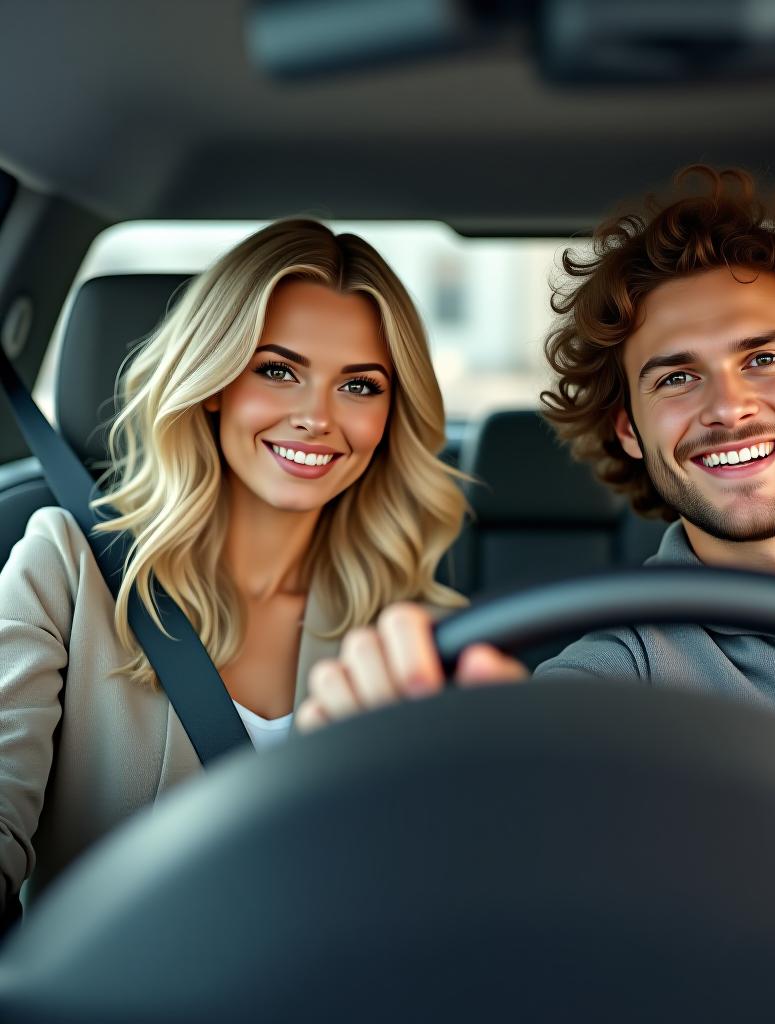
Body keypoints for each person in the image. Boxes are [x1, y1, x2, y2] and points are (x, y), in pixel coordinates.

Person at [296, 166, 775, 829]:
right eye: (676, 378)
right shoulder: (628, 666)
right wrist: (413, 763)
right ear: (631, 430)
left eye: (763, 359)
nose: (729, 406)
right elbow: (531, 779)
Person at [0, 220, 467, 917]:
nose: (317, 417)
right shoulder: (64, 566)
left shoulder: (422, 633)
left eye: (360, 386)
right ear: (214, 383)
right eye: (278, 371)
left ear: (392, 413)